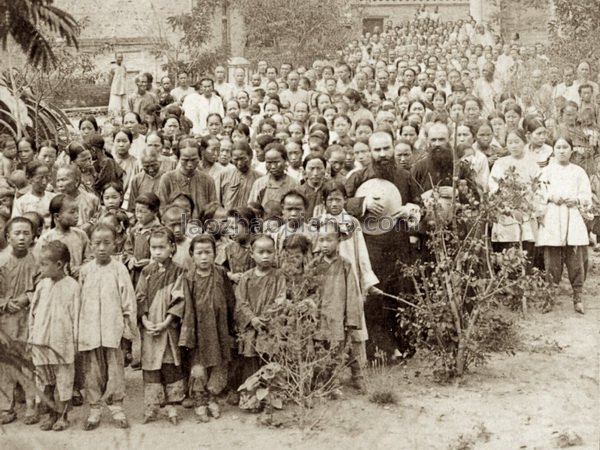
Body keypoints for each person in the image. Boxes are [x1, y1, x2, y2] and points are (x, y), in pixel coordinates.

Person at [345, 131, 421, 358]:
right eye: (377, 150)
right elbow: (339, 204)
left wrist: (411, 210)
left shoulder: (406, 177)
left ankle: (403, 347)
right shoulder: (358, 178)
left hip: (399, 246)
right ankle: (376, 349)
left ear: (393, 148)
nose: (382, 154)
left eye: (386, 148)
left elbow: (420, 205)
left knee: (400, 294)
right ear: (369, 152)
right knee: (373, 298)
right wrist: (363, 203)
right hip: (370, 249)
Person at [78, 223, 136, 430]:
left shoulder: (119, 270)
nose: (102, 248)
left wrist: (128, 328)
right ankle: (94, 407)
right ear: (90, 246)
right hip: (90, 329)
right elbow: (79, 301)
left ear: (115, 244)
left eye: (107, 243)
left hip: (113, 328)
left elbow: (128, 300)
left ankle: (116, 405)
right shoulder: (85, 271)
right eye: (97, 243)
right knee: (92, 370)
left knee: (115, 368)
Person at [180, 234, 235, 422]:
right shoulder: (189, 277)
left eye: (208, 252)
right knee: (198, 365)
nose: (204, 257)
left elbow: (229, 300)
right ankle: (199, 400)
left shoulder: (220, 273)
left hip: (219, 326)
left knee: (219, 361)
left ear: (215, 253)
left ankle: (213, 397)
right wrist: (188, 331)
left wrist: (231, 326)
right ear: (192, 255)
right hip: (198, 327)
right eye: (199, 253)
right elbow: (187, 305)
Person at [536, 135, 592, 314]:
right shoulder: (546, 172)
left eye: (565, 147)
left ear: (571, 150)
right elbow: (538, 193)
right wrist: (550, 197)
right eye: (558, 147)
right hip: (553, 216)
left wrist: (575, 199)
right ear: (553, 150)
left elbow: (587, 197)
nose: (561, 151)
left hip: (572, 216)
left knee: (576, 260)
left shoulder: (578, 172)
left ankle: (578, 296)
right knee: (552, 260)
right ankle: (550, 296)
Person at [136, 227, 185, 425]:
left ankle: (172, 407)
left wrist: (166, 323)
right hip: (150, 328)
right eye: (153, 248)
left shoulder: (179, 270)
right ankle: (151, 407)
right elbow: (140, 296)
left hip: (168, 328)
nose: (157, 252)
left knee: (169, 364)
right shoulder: (146, 272)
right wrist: (145, 319)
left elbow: (180, 299)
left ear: (172, 248)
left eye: (162, 247)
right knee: (150, 365)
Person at [28, 240, 79, 431]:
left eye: (43, 264)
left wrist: (75, 343)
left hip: (61, 344)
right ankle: (50, 414)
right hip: (41, 342)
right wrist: (31, 337)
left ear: (59, 265)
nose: (40, 268)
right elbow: (33, 313)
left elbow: (77, 316)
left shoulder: (72, 286)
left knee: (64, 381)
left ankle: (63, 416)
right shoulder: (42, 285)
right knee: (45, 381)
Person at [311, 218, 363, 397]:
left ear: (339, 240)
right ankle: (319, 382)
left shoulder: (345, 265)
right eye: (321, 240)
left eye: (329, 240)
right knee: (319, 348)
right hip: (318, 315)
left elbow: (351, 294)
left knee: (337, 349)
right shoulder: (314, 265)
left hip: (337, 314)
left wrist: (351, 319)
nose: (324, 244)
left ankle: (334, 383)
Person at [0, 217, 39, 425]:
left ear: (33, 236)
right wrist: (5, 303)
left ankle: (32, 404)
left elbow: (41, 286)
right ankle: (6, 406)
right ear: (8, 237)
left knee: (28, 363)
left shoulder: (37, 262)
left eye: (26, 233)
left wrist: (26, 298)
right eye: (17, 233)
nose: (22, 237)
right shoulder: (1, 262)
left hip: (28, 320)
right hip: (5, 321)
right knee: (5, 365)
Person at [234, 234, 286, 382]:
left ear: (275, 253)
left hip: (269, 326)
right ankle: (251, 396)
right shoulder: (246, 278)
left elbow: (280, 299)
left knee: (270, 358)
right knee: (251, 361)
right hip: (251, 326)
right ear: (252, 254)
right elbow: (241, 301)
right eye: (260, 252)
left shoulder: (278, 276)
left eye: (269, 252)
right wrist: (252, 318)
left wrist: (265, 319)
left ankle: (270, 395)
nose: (265, 256)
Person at [488, 129, 540, 254]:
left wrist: (526, 201)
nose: (514, 145)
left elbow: (538, 187)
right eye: (510, 142)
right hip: (507, 211)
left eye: (517, 142)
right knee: (507, 251)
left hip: (526, 209)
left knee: (526, 246)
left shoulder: (532, 164)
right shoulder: (500, 163)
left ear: (525, 142)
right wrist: (508, 201)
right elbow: (494, 186)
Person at [157, 138, 217, 218]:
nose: (190, 164)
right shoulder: (167, 179)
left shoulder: (208, 180)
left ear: (200, 157)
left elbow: (213, 208)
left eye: (194, 159)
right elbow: (162, 208)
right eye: (185, 160)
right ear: (178, 159)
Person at [35, 194, 91, 278]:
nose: (76, 215)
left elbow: (90, 258)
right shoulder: (46, 239)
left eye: (77, 211)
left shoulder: (81, 235)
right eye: (72, 212)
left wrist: (81, 269)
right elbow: (39, 266)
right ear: (57, 216)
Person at [248, 143, 299, 208]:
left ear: (285, 160)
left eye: (276, 162)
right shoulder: (259, 184)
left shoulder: (294, 184)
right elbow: (252, 208)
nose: (273, 166)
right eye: (269, 162)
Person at [218, 141, 260, 209]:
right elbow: (218, 203)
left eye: (243, 159)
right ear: (231, 158)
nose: (240, 163)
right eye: (236, 159)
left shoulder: (259, 178)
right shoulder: (224, 175)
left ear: (251, 156)